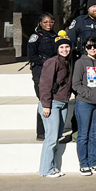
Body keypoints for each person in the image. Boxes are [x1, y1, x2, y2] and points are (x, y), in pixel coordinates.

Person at [37, 32, 74, 178]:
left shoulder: (67, 62)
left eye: (67, 47)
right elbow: (44, 84)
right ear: (57, 48)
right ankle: (45, 170)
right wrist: (46, 105)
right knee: (51, 138)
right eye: (62, 47)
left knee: (56, 135)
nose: (65, 49)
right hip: (52, 104)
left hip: (63, 102)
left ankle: (51, 167)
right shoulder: (53, 62)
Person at [71, 36, 96, 175]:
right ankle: (83, 164)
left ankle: (93, 163)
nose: (92, 49)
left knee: (95, 134)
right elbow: (76, 84)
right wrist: (89, 94)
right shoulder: (80, 62)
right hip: (84, 103)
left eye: (95, 46)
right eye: (89, 46)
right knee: (83, 134)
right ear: (84, 48)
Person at [27, 13, 57, 141]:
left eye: (51, 22)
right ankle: (41, 132)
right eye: (45, 22)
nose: (48, 24)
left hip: (54, 71)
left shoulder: (56, 36)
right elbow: (32, 56)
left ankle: (52, 129)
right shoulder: (35, 37)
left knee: (54, 100)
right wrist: (47, 62)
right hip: (40, 71)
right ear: (40, 23)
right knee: (43, 100)